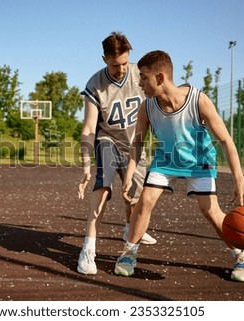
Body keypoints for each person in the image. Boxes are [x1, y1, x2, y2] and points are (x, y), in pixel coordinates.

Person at [114, 50, 244, 282]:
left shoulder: (198, 99)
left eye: (143, 77)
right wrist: (129, 176)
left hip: (199, 162)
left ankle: (241, 256)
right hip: (166, 161)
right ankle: (128, 253)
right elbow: (137, 143)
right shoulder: (147, 107)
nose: (139, 82)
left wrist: (239, 180)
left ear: (160, 78)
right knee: (146, 200)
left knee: (211, 211)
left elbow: (225, 140)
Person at [77, 32, 157, 275]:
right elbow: (90, 127)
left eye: (124, 63)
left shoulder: (140, 75)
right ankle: (88, 248)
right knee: (103, 186)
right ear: (104, 59)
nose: (121, 69)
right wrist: (86, 164)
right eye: (115, 65)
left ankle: (128, 226)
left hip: (136, 144)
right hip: (108, 140)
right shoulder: (95, 84)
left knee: (136, 197)